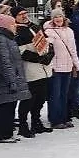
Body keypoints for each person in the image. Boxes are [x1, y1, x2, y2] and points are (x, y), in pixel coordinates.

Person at [0, 12, 31, 143]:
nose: (15, 27)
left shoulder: (9, 39)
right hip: (6, 80)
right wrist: (11, 81)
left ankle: (7, 133)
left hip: (14, 77)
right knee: (5, 106)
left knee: (10, 105)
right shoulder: (0, 40)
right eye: (13, 24)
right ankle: (2, 135)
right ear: (6, 26)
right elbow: (4, 62)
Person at [15, 7, 54, 136]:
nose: (24, 16)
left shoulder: (35, 26)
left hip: (44, 69)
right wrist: (39, 59)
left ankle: (36, 121)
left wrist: (49, 55)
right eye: (20, 14)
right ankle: (23, 125)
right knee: (28, 99)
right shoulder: (17, 31)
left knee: (41, 98)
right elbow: (21, 52)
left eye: (25, 13)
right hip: (31, 69)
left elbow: (47, 42)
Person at [44, 8, 79, 130]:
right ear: (52, 19)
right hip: (55, 68)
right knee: (55, 94)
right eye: (55, 17)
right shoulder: (49, 31)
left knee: (65, 94)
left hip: (68, 66)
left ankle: (64, 117)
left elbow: (73, 50)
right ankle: (55, 119)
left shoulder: (70, 31)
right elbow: (47, 49)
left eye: (60, 16)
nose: (58, 19)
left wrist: (76, 65)